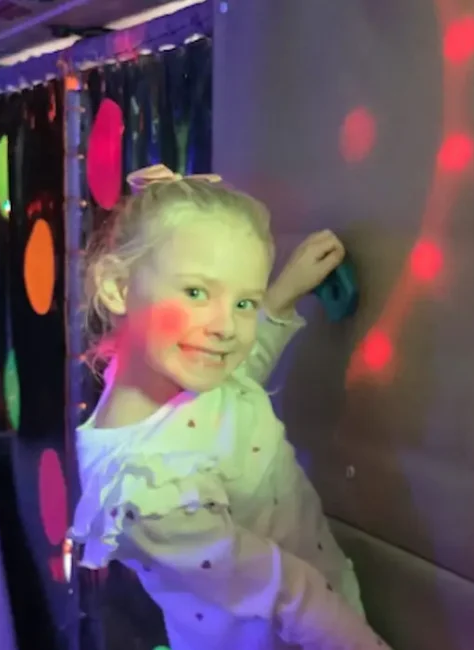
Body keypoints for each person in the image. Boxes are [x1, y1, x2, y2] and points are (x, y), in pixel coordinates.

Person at [69, 164, 387, 650]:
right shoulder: (151, 490)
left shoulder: (171, 373)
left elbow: (232, 383)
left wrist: (278, 299)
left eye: (243, 302)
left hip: (327, 602)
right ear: (117, 288)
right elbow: (289, 594)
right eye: (196, 292)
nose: (227, 327)